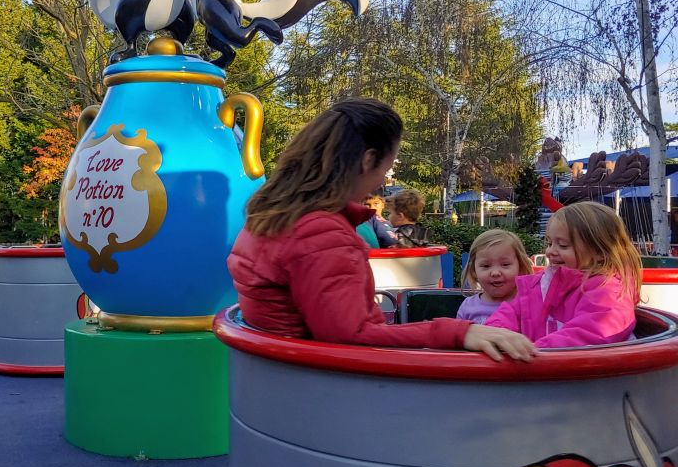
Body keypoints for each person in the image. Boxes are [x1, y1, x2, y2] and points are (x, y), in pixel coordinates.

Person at [227, 97, 537, 362]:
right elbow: (351, 337)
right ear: (369, 160)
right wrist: (459, 332)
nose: (382, 182)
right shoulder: (320, 232)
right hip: (318, 391)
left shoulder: (272, 215)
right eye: (386, 169)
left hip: (282, 379)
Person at [486, 202, 641, 347]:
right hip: (538, 369)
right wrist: (495, 336)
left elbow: (589, 334)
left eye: (563, 245)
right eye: (549, 243)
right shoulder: (542, 284)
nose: (550, 252)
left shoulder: (608, 292)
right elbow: (511, 312)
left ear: (600, 251)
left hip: (573, 373)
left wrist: (532, 352)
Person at [456, 229, 533, 324]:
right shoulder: (468, 307)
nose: (495, 273)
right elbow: (459, 337)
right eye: (486, 266)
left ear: (520, 267)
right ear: (474, 271)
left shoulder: (527, 304)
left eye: (505, 264)